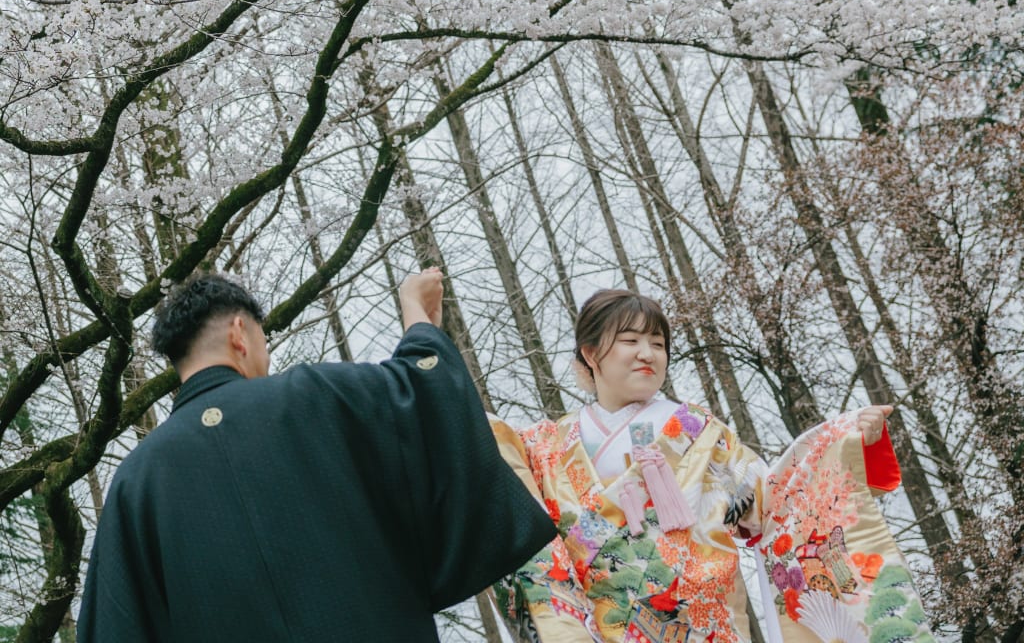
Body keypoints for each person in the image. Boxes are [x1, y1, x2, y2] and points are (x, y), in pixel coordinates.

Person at [78, 267, 555, 642]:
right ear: (240, 333)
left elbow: (116, 625)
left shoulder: (135, 482)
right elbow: (425, 386)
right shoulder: (316, 394)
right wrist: (416, 313)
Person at [490, 289, 934, 643]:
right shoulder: (543, 447)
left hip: (705, 626)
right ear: (590, 354)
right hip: (601, 628)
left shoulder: (699, 432)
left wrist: (844, 443)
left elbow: (775, 502)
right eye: (630, 340)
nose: (647, 353)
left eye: (658, 344)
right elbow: (504, 499)